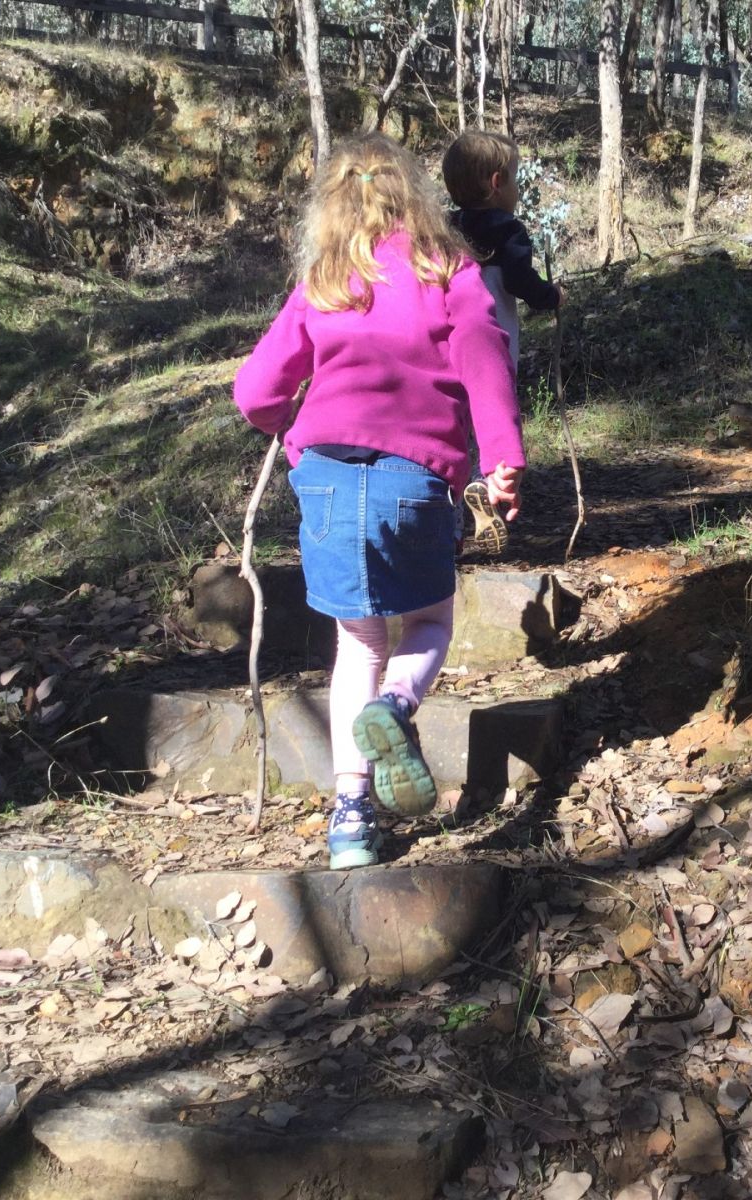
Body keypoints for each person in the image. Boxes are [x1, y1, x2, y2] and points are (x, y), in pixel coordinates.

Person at [233, 133, 525, 870]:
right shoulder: (448, 270)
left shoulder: (326, 280)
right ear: (416, 196)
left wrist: (291, 434)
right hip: (414, 477)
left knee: (356, 641)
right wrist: (502, 460)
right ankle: (393, 707)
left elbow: (256, 392)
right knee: (428, 623)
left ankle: (352, 820)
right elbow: (485, 360)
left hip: (326, 476)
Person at [441, 129, 563, 556]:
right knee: (487, 417)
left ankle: (449, 529)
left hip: (445, 347)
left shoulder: (444, 228)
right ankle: (484, 481)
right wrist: (550, 296)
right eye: (513, 178)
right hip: (491, 346)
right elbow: (519, 279)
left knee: (452, 429)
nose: (515, 188)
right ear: (496, 182)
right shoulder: (507, 229)